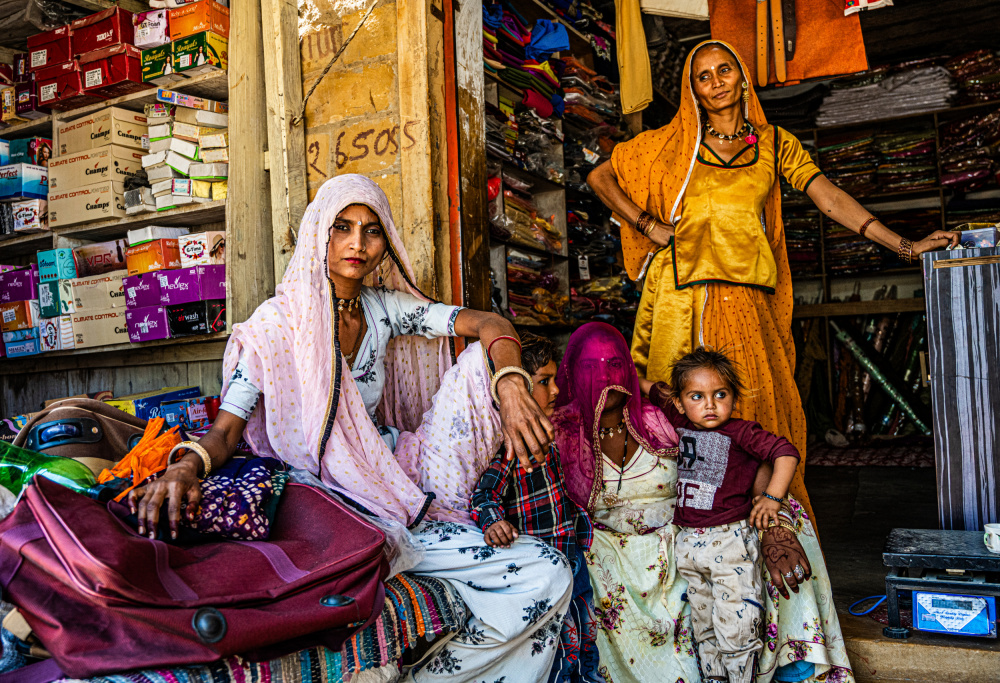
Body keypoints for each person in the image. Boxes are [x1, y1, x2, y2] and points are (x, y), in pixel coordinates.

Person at [130, 174, 573, 683]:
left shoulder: (383, 309)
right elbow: (227, 430)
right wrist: (185, 466)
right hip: (327, 502)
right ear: (320, 232)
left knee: (547, 569)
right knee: (546, 573)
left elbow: (489, 324)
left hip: (392, 483)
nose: (356, 244)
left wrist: (512, 387)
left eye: (371, 230)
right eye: (342, 227)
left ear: (386, 243)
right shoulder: (278, 324)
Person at [585, 40, 959, 521]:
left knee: (754, 413)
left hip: (746, 299)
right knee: (676, 417)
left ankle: (765, 526)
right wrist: (646, 225)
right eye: (704, 75)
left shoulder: (774, 143)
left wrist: (905, 246)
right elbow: (600, 177)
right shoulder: (670, 146)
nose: (716, 81)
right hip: (680, 298)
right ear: (693, 91)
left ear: (742, 78)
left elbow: (830, 199)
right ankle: (682, 537)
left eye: (725, 70)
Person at [553, 323, 854, 683]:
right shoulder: (560, 432)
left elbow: (759, 456)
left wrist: (772, 512)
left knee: (770, 553)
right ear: (570, 371)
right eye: (591, 367)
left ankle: (787, 668)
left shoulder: (657, 418)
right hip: (618, 554)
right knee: (702, 623)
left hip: (693, 535)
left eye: (615, 365)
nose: (605, 376)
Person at [661, 348, 801, 683]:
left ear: (734, 398)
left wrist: (772, 498)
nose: (709, 405)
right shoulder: (678, 421)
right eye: (697, 396)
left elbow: (786, 452)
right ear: (680, 403)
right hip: (688, 544)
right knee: (704, 627)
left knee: (736, 628)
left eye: (720, 395)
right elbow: (650, 387)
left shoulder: (740, 432)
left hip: (730, 542)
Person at [471, 333, 600, 683]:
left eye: (554, 379)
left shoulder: (549, 437)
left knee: (583, 631)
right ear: (519, 394)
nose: (556, 390)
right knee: (552, 644)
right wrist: (493, 523)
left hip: (570, 553)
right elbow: (484, 495)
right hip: (542, 567)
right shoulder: (510, 449)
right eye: (544, 381)